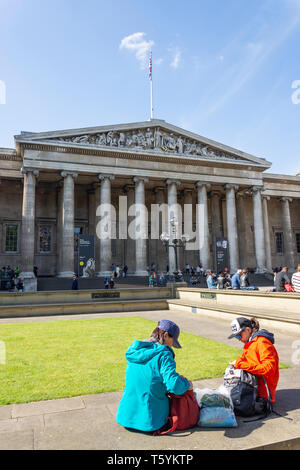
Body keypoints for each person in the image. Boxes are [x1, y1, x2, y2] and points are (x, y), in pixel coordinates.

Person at [116, 319, 192, 432]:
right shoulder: (164, 354)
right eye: (172, 341)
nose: (171, 345)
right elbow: (175, 386)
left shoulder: (135, 349)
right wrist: (187, 384)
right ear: (165, 335)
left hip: (126, 417)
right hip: (151, 421)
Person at [228, 317, 279, 406]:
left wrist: (240, 364)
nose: (238, 339)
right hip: (256, 389)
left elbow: (268, 368)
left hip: (264, 395)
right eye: (236, 337)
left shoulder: (262, 342)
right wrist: (237, 364)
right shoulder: (250, 342)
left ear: (248, 330)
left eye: (239, 335)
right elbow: (249, 361)